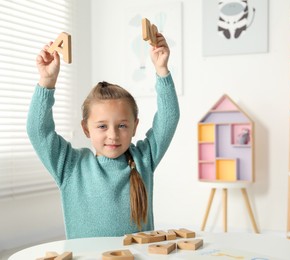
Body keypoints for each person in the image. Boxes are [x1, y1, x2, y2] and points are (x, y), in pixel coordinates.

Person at [27, 32, 180, 239]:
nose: (113, 135)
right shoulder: (71, 165)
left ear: (135, 127)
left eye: (122, 125)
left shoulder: (144, 159)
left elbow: (168, 118)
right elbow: (38, 131)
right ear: (86, 129)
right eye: (102, 126)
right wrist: (47, 81)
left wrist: (162, 70)